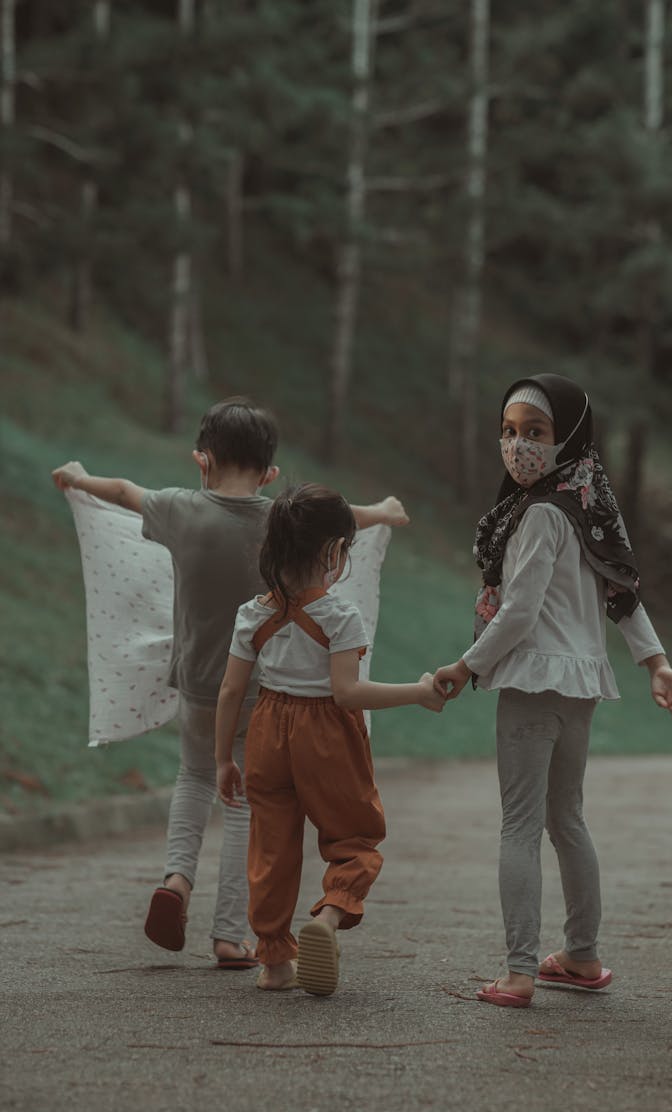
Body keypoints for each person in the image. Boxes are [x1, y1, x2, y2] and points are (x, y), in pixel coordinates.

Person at [51, 397, 410, 969]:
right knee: (248, 807)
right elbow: (338, 520)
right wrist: (384, 510)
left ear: (202, 460)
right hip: (265, 695)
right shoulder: (281, 520)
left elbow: (121, 490)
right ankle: (228, 934)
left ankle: (176, 879)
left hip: (196, 685)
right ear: (270, 474)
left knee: (193, 779)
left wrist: (77, 477)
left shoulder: (179, 510)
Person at [433, 374, 672, 1009]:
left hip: (531, 679)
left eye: (536, 434)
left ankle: (520, 971)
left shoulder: (543, 514)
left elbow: (518, 613)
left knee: (520, 824)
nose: (519, 445)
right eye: (510, 432)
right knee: (566, 819)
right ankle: (580, 954)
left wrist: (465, 667)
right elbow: (621, 595)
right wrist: (655, 662)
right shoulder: (585, 507)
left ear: (569, 437)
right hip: (577, 685)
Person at [215, 482, 443, 995]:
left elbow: (231, 690)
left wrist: (221, 758)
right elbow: (347, 692)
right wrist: (420, 692)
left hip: (266, 730)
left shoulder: (252, 613)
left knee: (270, 849)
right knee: (354, 837)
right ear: (332, 551)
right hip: (325, 735)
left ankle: (273, 961)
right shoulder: (340, 616)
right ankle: (331, 915)